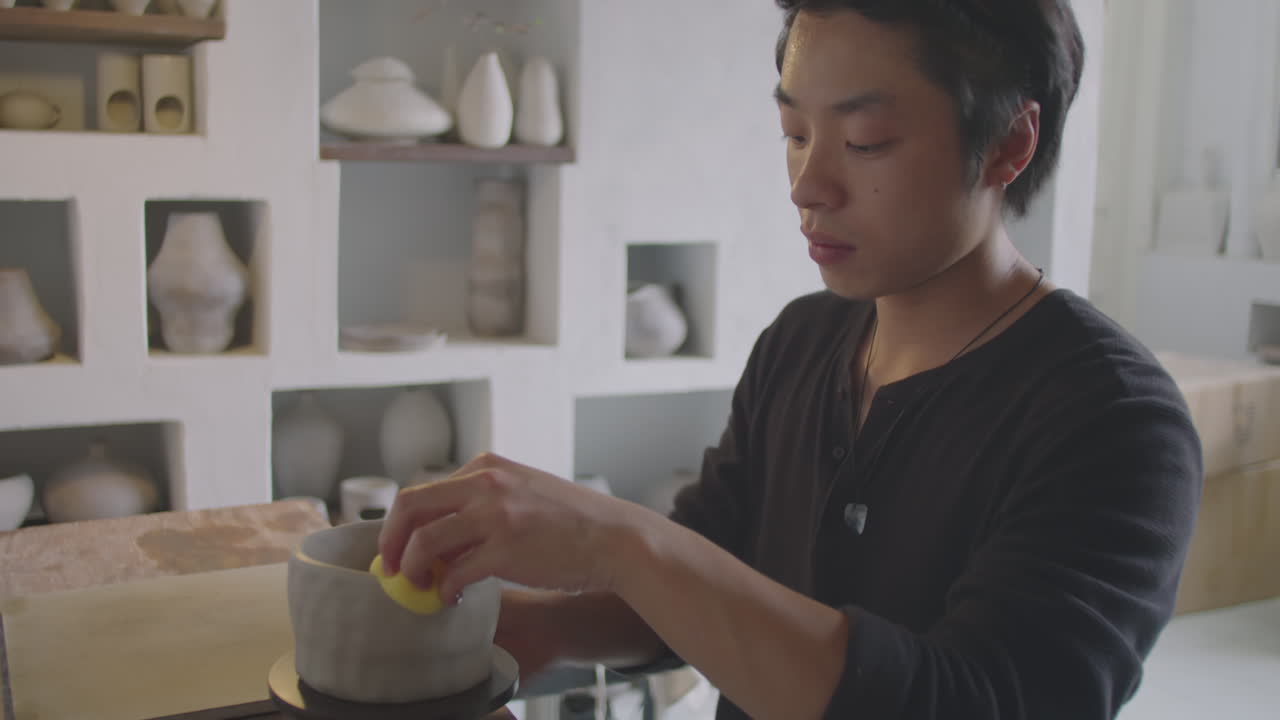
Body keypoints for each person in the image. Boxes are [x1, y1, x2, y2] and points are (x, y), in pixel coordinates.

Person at [378, 1, 1203, 717]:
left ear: (1007, 145)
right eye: (795, 133)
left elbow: (967, 701)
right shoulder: (803, 342)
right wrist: (540, 627)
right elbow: (707, 578)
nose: (809, 184)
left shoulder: (1115, 423)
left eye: (866, 141)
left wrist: (618, 542)